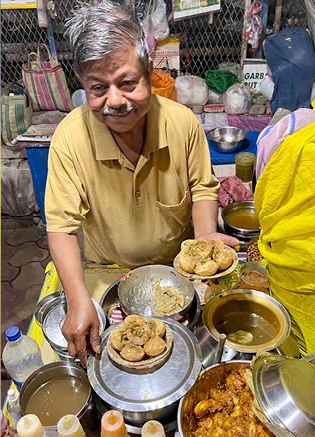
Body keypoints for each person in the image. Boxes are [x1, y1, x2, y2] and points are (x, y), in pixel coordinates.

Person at [45, 0, 237, 365]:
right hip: (108, 271)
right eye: (98, 88)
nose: (115, 101)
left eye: (127, 83)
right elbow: (61, 226)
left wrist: (206, 238)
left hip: (177, 270)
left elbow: (202, 188)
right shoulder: (70, 139)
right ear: (83, 86)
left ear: (149, 75)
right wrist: (76, 297)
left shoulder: (183, 125)